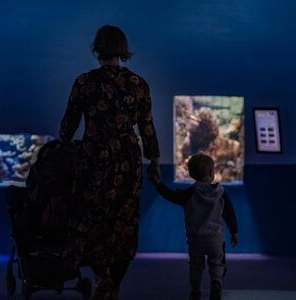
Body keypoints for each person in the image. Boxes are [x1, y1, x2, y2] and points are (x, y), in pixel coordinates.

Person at [59, 25, 160, 300]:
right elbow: (147, 127)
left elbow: (68, 125)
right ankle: (113, 284)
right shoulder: (139, 84)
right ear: (123, 49)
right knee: (124, 223)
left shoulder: (85, 82)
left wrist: (64, 144)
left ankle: (102, 275)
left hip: (94, 156)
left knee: (88, 219)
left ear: (97, 49)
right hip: (129, 159)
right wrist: (154, 159)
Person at [147, 152, 238, 300]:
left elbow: (172, 196)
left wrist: (158, 184)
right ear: (211, 173)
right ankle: (216, 282)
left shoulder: (190, 193)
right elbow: (229, 213)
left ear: (191, 174)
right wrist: (234, 231)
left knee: (196, 266)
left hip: (196, 238)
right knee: (217, 263)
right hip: (215, 238)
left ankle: (195, 291)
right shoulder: (221, 193)